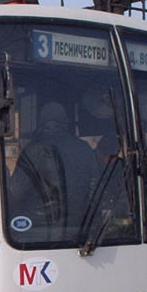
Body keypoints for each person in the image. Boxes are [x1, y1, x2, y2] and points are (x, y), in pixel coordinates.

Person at [9, 102, 101, 238]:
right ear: (66, 122)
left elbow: (16, 192)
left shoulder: (33, 150)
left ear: (40, 123)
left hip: (39, 232)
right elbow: (96, 189)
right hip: (80, 230)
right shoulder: (83, 148)